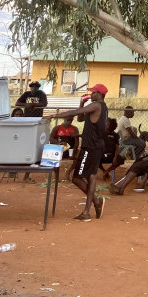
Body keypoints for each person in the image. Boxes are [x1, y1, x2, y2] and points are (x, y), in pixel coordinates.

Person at [48, 83, 108, 222]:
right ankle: (88, 210)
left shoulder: (96, 105)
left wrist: (55, 115)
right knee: (91, 176)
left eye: (93, 92)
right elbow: (81, 118)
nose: (91, 94)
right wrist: (82, 103)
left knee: (76, 177)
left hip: (90, 147)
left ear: (99, 94)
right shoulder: (101, 107)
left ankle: (95, 202)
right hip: (96, 146)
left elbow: (75, 113)